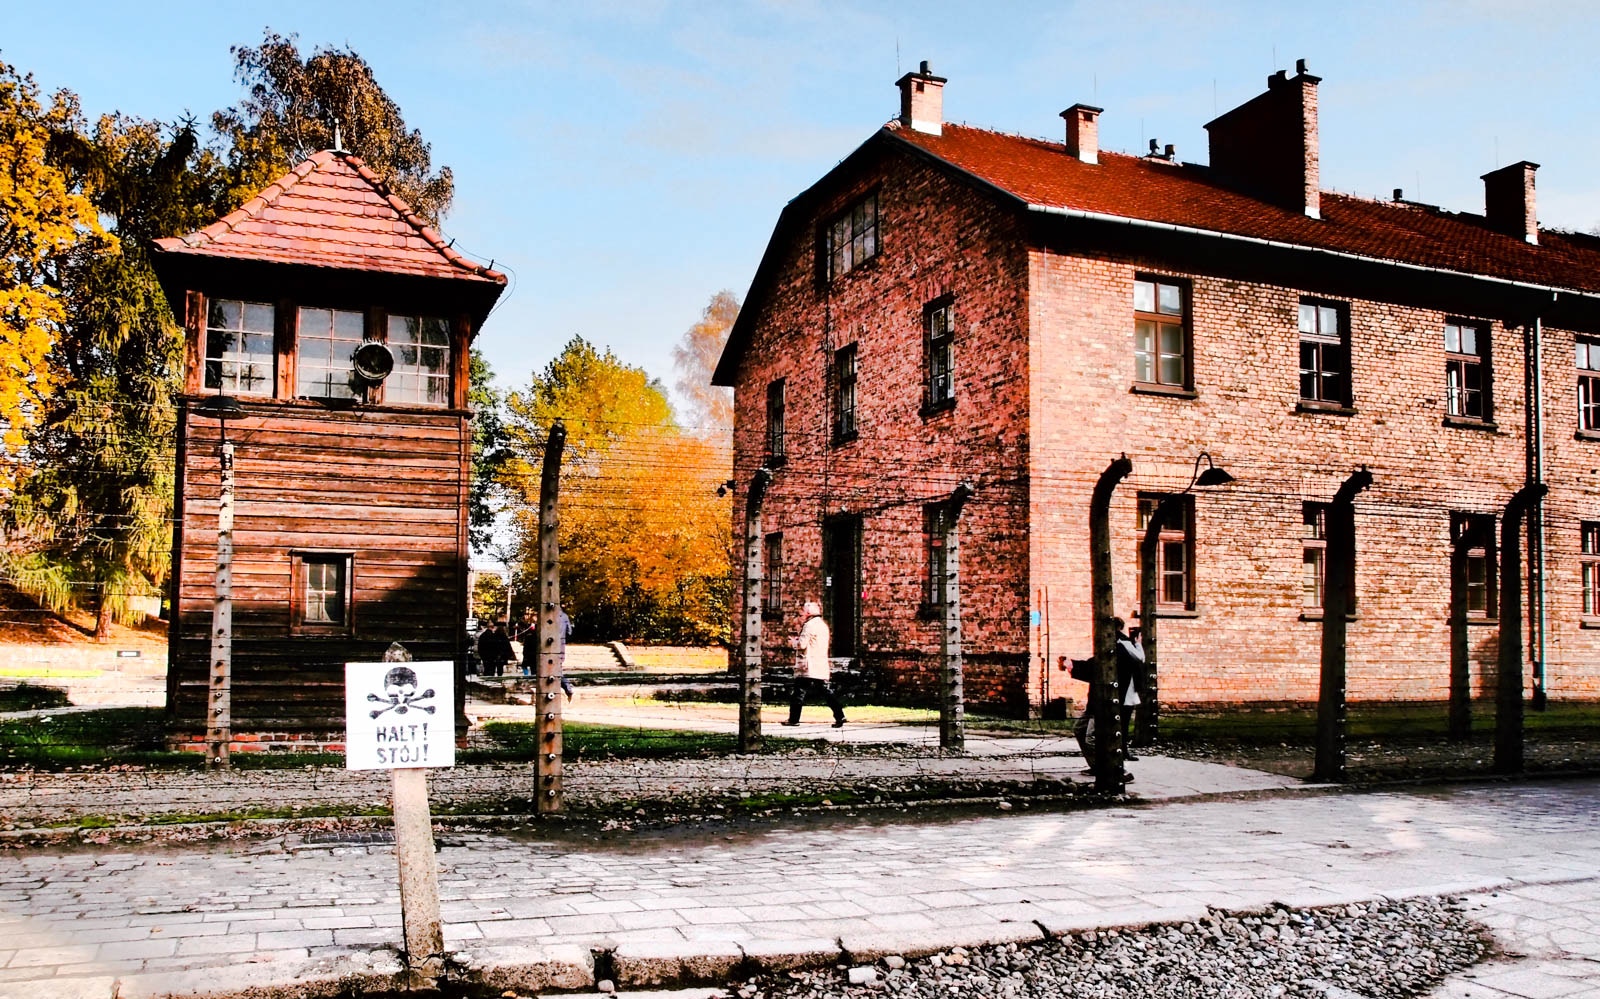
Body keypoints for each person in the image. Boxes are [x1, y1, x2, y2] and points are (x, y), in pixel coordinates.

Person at [1073, 616, 1142, 781]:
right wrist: (1073, 666)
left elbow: (1097, 668)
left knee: (1095, 737)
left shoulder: (1120, 647)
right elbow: (1095, 665)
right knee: (1080, 730)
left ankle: (1115, 771)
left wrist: (1075, 667)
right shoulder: (1113, 645)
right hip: (1097, 700)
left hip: (1108, 701)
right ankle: (1099, 767)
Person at [783, 599, 845, 728]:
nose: (802, 615)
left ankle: (794, 719)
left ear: (808, 613)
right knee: (825, 691)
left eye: (804, 613)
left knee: (798, 692)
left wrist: (793, 642)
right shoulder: (823, 625)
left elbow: (802, 644)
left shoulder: (809, 625)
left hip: (808, 664)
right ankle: (840, 715)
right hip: (820, 663)